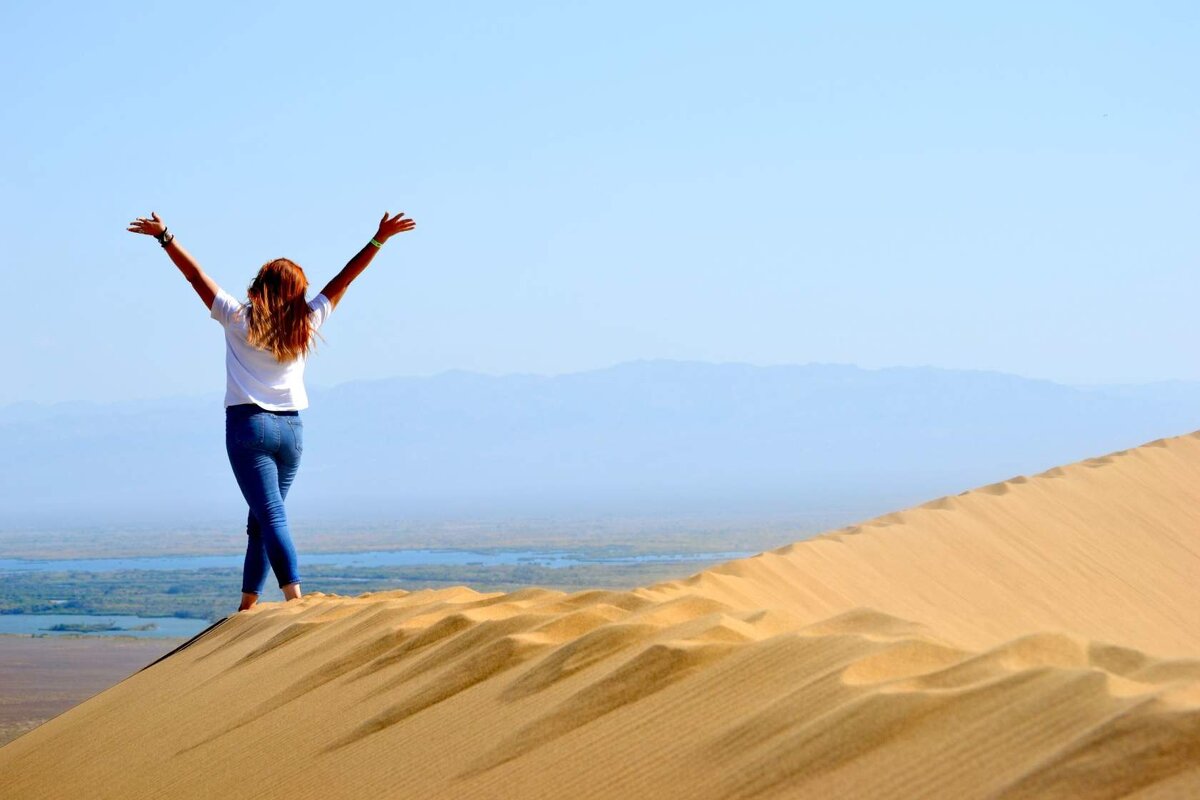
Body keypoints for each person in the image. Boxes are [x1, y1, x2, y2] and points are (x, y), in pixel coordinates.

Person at [126, 210, 417, 611]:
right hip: (292, 433)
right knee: (262, 519)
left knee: (272, 518)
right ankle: (248, 604)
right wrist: (379, 239)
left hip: (250, 430)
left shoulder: (236, 317)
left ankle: (295, 602)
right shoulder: (308, 321)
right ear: (296, 292)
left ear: (260, 286)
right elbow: (345, 279)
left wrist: (165, 237)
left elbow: (195, 277)